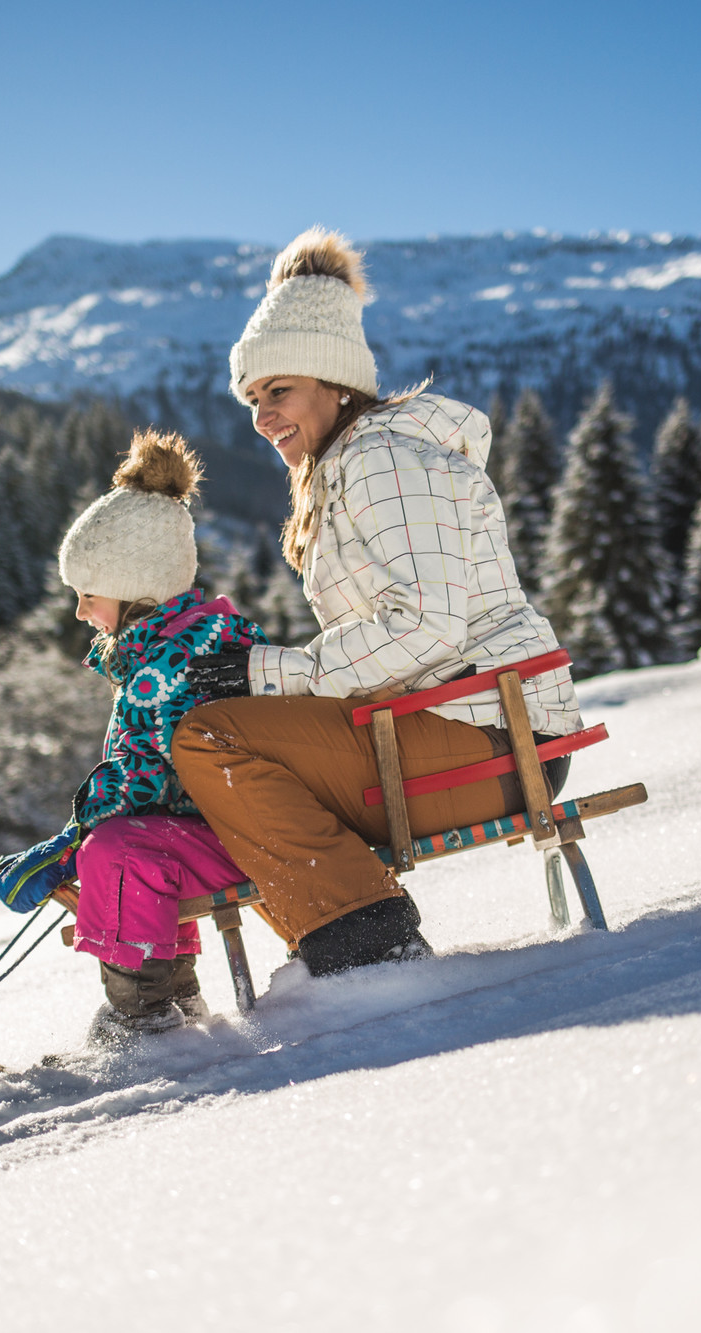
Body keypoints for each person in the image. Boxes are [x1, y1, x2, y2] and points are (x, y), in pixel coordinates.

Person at [174, 228, 583, 976]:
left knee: (212, 738)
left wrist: (270, 675)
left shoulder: (380, 460)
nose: (263, 417)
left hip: (492, 735)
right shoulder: (348, 467)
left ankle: (365, 944)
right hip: (457, 722)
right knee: (221, 743)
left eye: (279, 391)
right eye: (253, 399)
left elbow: (426, 625)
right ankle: (344, 933)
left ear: (335, 382)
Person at [0, 430, 265, 1036]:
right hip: (237, 824)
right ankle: (173, 997)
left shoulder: (170, 665)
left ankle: (142, 1018)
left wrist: (74, 842)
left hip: (244, 833)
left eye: (89, 595)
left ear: (137, 590)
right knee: (134, 843)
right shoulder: (188, 641)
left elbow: (145, 780)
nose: (81, 612)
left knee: (119, 851)